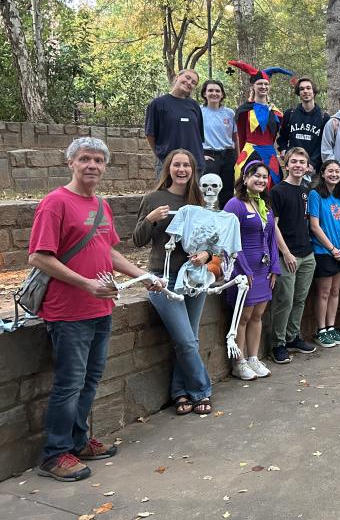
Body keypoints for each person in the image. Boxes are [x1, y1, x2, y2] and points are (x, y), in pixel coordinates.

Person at [29, 137, 162, 482]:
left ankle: (78, 440)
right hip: (68, 311)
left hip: (101, 307)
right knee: (69, 384)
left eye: (99, 160)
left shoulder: (101, 205)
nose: (92, 165)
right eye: (85, 159)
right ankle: (54, 455)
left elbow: (111, 252)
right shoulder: (54, 203)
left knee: (90, 381)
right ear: (70, 163)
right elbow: (39, 257)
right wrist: (85, 283)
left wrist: (144, 275)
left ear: (105, 167)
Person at [133, 149, 213, 415]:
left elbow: (210, 241)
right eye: (177, 165)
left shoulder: (198, 200)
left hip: (193, 277)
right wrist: (150, 219)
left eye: (186, 166)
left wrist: (207, 254)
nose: (182, 170)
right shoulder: (154, 198)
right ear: (168, 168)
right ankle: (202, 390)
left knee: (189, 339)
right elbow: (137, 240)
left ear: (192, 170)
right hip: (163, 278)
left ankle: (180, 393)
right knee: (187, 341)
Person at [223, 161, 281, 380]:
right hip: (242, 272)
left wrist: (275, 266)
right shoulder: (234, 205)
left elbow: (271, 238)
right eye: (256, 175)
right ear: (245, 178)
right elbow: (229, 242)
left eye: (265, 177)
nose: (261, 180)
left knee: (258, 315)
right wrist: (244, 270)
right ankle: (239, 362)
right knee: (243, 317)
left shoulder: (264, 205)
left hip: (263, 270)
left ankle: (253, 358)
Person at [269, 147, 318, 365]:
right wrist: (286, 253)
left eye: (302, 162)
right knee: (284, 301)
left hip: (307, 254)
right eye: (294, 162)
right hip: (287, 256)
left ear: (307, 167)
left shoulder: (306, 190)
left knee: (300, 299)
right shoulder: (277, 191)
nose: (298, 165)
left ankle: (292, 337)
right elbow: (274, 227)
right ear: (286, 165)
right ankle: (278, 344)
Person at [308, 159, 340, 348]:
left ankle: (331, 327)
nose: (334, 174)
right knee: (324, 292)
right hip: (323, 251)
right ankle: (321, 331)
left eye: (337, 171)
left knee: (336, 291)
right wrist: (332, 249)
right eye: (330, 171)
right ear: (323, 173)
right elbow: (314, 225)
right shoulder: (315, 194)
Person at [232, 65, 285, 189]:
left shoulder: (275, 112)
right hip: (250, 151)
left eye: (266, 84)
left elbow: (281, 134)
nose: (263, 87)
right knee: (246, 183)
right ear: (253, 87)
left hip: (270, 153)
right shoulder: (244, 111)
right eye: (260, 84)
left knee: (273, 184)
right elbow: (241, 135)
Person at [145, 69, 205, 176]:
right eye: (187, 78)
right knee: (167, 193)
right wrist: (162, 156)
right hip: (169, 165)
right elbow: (150, 134)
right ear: (177, 77)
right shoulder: (158, 104)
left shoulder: (194, 106)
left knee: (192, 193)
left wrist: (201, 156)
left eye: (193, 82)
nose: (189, 82)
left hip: (194, 165)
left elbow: (198, 137)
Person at [276, 77, 330, 176]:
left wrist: (312, 164)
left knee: (313, 192)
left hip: (313, 170)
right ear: (298, 93)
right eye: (302, 89)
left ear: (314, 92)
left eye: (308, 88)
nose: (305, 91)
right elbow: (282, 137)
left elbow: (324, 145)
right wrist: (284, 150)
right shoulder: (290, 114)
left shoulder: (324, 117)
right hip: (294, 168)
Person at [200, 79, 238, 208]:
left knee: (227, 192)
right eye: (210, 90)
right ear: (204, 93)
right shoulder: (199, 112)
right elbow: (193, 136)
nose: (214, 93)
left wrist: (238, 159)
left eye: (217, 91)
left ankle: (225, 219)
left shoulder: (229, 113)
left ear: (222, 94)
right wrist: (199, 155)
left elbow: (235, 137)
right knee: (208, 191)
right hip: (209, 155)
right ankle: (206, 220)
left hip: (228, 155)